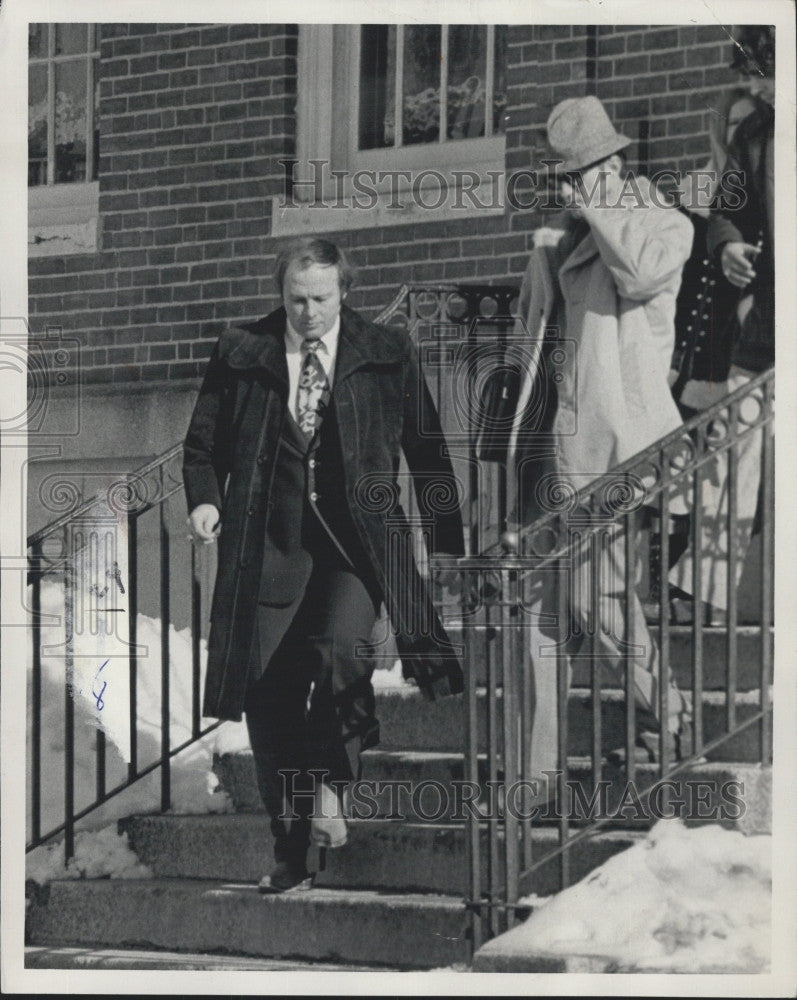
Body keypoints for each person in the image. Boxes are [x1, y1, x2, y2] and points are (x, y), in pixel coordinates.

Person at [183, 237, 464, 892]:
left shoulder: (384, 352)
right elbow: (201, 444)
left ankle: (332, 787)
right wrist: (203, 502)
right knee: (269, 692)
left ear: (344, 293)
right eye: (295, 300)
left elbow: (425, 450)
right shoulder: (241, 352)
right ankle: (289, 851)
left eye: (320, 299)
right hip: (268, 546)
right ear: (280, 296)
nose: (307, 312)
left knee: (344, 650)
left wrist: (446, 542)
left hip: (354, 547)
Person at [503, 96, 695, 774]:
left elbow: (641, 273)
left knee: (595, 597)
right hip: (545, 443)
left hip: (614, 448)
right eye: (561, 178)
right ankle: (536, 775)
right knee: (537, 614)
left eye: (578, 174)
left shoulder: (660, 224)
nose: (567, 190)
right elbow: (532, 335)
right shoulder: (555, 238)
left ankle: (667, 708)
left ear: (614, 165)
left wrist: (596, 206)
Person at [668, 26, 775, 617]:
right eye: (749, 81)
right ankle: (701, 586)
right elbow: (729, 210)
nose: (757, 91)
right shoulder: (756, 136)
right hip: (760, 331)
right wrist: (729, 243)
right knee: (735, 447)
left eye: (764, 76)